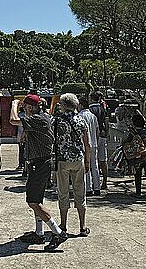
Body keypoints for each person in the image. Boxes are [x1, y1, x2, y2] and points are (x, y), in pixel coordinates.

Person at [10, 94, 66, 252]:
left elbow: (13, 120)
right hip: (39, 163)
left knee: (33, 203)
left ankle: (58, 232)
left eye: (25, 107)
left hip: (40, 164)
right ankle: (39, 233)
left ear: (30, 107)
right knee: (37, 201)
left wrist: (14, 105)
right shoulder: (41, 118)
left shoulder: (38, 118)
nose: (24, 110)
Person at [54, 93, 91, 242]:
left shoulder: (57, 121)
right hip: (78, 159)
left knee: (63, 193)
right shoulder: (81, 120)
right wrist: (87, 162)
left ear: (63, 105)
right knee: (80, 192)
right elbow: (87, 145)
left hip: (63, 160)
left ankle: (63, 225)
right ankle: (82, 226)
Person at [125, 114, 146, 198]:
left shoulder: (133, 133)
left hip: (137, 157)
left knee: (138, 175)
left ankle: (138, 193)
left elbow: (127, 144)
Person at [78, 96, 100, 196]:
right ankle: (97, 187)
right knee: (94, 166)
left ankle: (88, 188)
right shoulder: (93, 116)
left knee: (85, 166)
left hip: (84, 144)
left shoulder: (79, 116)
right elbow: (97, 131)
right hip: (94, 143)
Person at [88, 91, 109, 190]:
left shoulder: (90, 110)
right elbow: (106, 122)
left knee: (93, 161)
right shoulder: (103, 108)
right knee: (103, 160)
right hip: (103, 135)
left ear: (91, 98)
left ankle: (94, 183)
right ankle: (104, 182)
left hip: (94, 136)